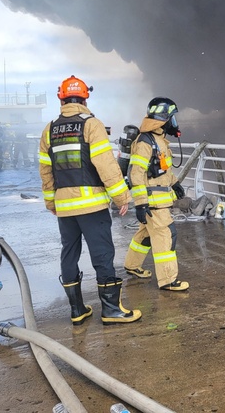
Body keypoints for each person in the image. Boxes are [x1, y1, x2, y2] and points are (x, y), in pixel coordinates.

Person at [39, 75, 140, 326]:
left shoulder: (49, 129)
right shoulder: (91, 124)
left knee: (69, 253)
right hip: (92, 205)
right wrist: (121, 197)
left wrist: (52, 203)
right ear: (85, 98)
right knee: (102, 253)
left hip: (65, 208)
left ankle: (77, 310)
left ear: (61, 98)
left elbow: (46, 172)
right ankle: (111, 309)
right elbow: (105, 164)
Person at [123, 97, 189, 291]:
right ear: (163, 118)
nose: (173, 123)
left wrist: (175, 183)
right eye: (171, 118)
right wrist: (141, 204)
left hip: (156, 200)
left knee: (145, 234)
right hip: (153, 203)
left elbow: (161, 170)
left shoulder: (157, 140)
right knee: (166, 236)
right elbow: (136, 173)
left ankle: (132, 266)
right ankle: (168, 279)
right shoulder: (145, 142)